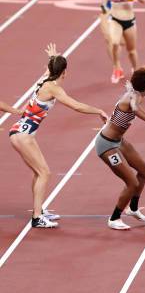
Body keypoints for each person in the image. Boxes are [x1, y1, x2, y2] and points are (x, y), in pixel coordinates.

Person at [7, 44, 108, 228]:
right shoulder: (53, 88)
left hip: (20, 132)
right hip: (24, 135)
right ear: (65, 73)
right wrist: (98, 110)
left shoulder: (43, 80)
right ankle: (37, 218)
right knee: (44, 173)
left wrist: (54, 57)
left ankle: (39, 210)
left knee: (39, 172)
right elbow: (76, 106)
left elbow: (50, 67)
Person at [95, 69, 145, 230]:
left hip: (118, 141)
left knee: (144, 170)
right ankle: (114, 218)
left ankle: (133, 208)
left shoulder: (133, 92)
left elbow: (132, 92)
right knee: (132, 182)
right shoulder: (133, 97)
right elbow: (134, 108)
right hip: (106, 145)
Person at [107, 0, 145, 84]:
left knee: (132, 51)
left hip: (129, 21)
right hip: (114, 18)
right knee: (114, 43)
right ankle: (117, 68)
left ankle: (135, 70)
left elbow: (142, 0)